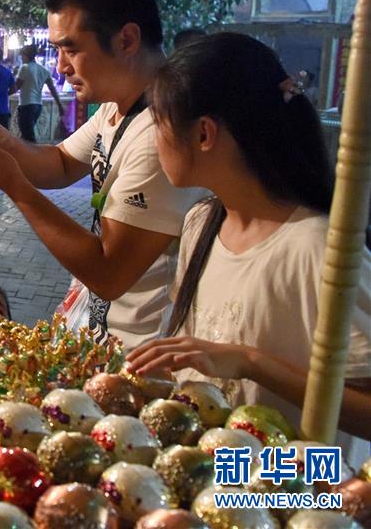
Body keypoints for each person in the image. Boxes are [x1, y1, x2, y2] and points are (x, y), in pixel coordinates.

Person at [126, 32, 371, 466]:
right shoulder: (203, 222)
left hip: (295, 496)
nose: (153, 140)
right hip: (211, 476)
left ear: (204, 133)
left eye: (159, 124)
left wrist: (252, 362)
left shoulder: (317, 248)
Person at [0, 0, 204, 349]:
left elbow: (108, 272)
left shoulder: (164, 132)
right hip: (97, 331)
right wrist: (2, 140)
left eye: (70, 49)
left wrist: (14, 186)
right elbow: (59, 164)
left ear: (126, 40)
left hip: (140, 349)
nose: (60, 67)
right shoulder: (118, 105)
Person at [14, 45, 64, 143]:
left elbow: (16, 87)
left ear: (26, 55)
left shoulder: (24, 68)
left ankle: (34, 155)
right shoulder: (43, 70)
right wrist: (59, 105)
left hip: (26, 105)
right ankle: (25, 155)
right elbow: (53, 90)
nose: (21, 58)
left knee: (28, 136)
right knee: (25, 133)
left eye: (22, 56)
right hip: (38, 106)